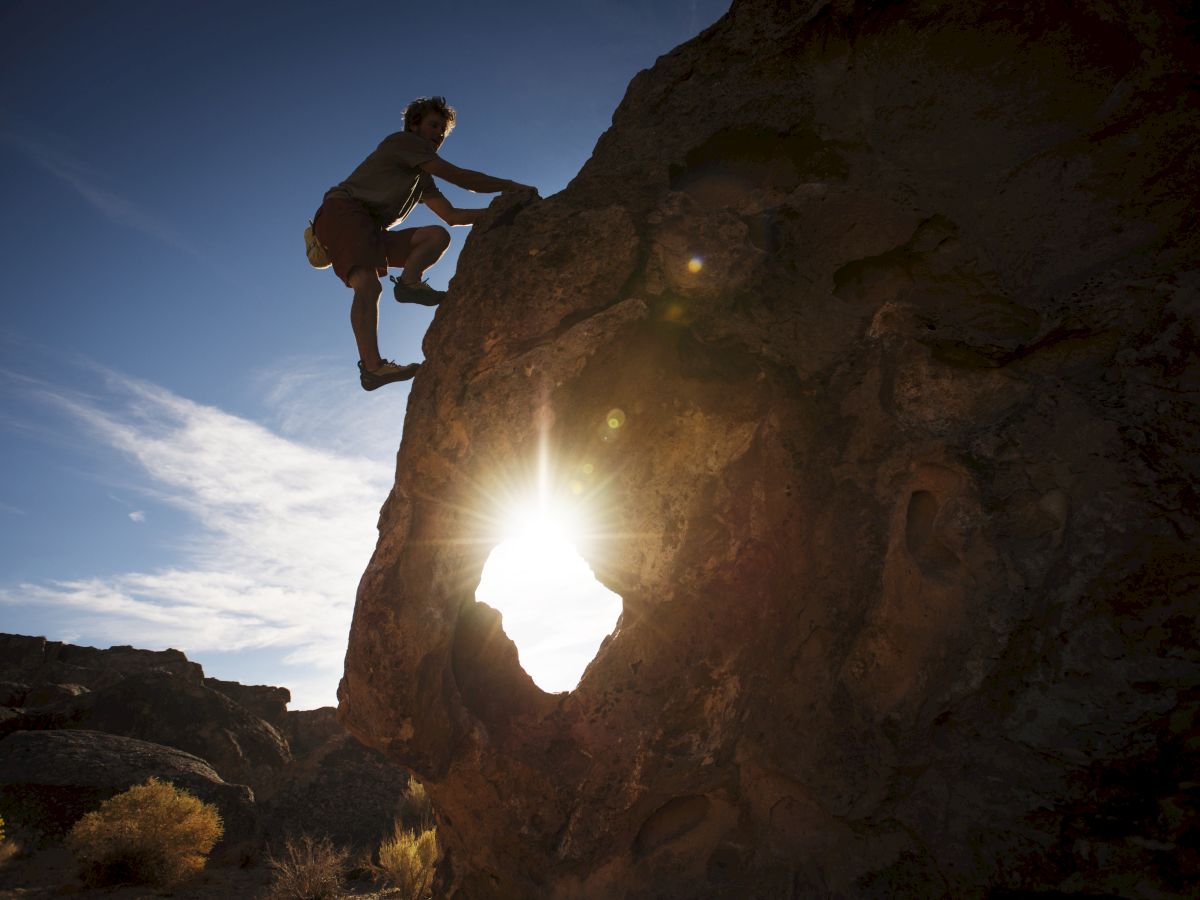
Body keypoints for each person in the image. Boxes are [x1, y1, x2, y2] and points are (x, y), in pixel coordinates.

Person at [312, 96, 531, 391]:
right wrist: (510, 187)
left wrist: (503, 210)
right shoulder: (403, 142)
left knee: (436, 236)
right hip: (345, 212)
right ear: (414, 125)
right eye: (433, 125)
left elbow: (451, 216)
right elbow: (461, 177)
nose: (439, 133)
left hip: (371, 229)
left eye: (443, 129)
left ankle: (408, 284)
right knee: (368, 285)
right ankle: (373, 368)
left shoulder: (422, 177)